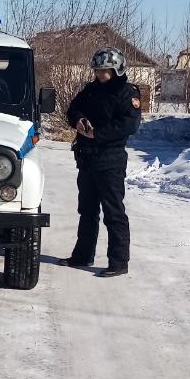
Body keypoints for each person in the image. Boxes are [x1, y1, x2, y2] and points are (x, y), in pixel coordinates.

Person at [64, 48, 142, 277]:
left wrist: (97, 134)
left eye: (104, 71)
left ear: (116, 70)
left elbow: (129, 125)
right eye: (97, 71)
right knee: (87, 210)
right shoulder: (91, 90)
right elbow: (73, 108)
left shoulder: (128, 94)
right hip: (87, 159)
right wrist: (79, 120)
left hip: (110, 160)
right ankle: (82, 255)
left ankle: (118, 262)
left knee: (113, 212)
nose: (100, 75)